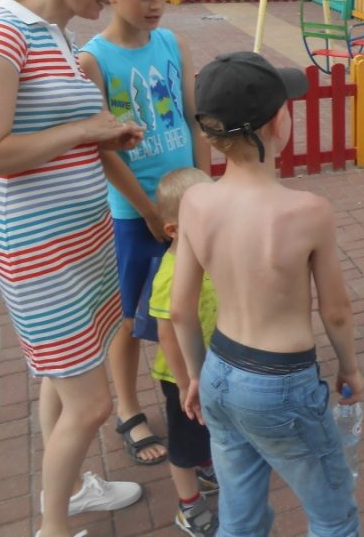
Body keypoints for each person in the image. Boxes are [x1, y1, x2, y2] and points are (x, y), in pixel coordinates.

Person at [0, 0, 145, 537]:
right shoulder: (1, 34)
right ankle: (54, 527)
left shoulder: (56, 36)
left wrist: (100, 136)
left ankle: (72, 491)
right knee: (91, 404)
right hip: (39, 251)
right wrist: (85, 129)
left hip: (79, 241)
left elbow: (48, 134)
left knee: (63, 382)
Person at [171, 52, 364, 537]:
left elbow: (180, 310)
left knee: (240, 517)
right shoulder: (308, 211)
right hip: (282, 382)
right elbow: (336, 312)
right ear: (280, 122)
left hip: (219, 373)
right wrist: (350, 368)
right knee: (334, 516)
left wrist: (194, 376)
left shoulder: (195, 200)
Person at [78, 0, 209, 466]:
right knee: (131, 318)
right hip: (135, 214)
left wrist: (204, 188)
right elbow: (103, 149)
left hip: (186, 203)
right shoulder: (94, 59)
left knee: (192, 301)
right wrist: (149, 211)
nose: (155, 6)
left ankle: (193, 388)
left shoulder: (173, 43)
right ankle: (129, 408)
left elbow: (192, 118)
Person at [148, 167, 220, 536]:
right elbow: (167, 335)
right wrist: (183, 384)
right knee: (184, 442)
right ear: (174, 230)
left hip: (207, 365)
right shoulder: (171, 273)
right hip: (182, 376)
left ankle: (206, 466)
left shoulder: (208, 257)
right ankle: (188, 505)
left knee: (206, 426)